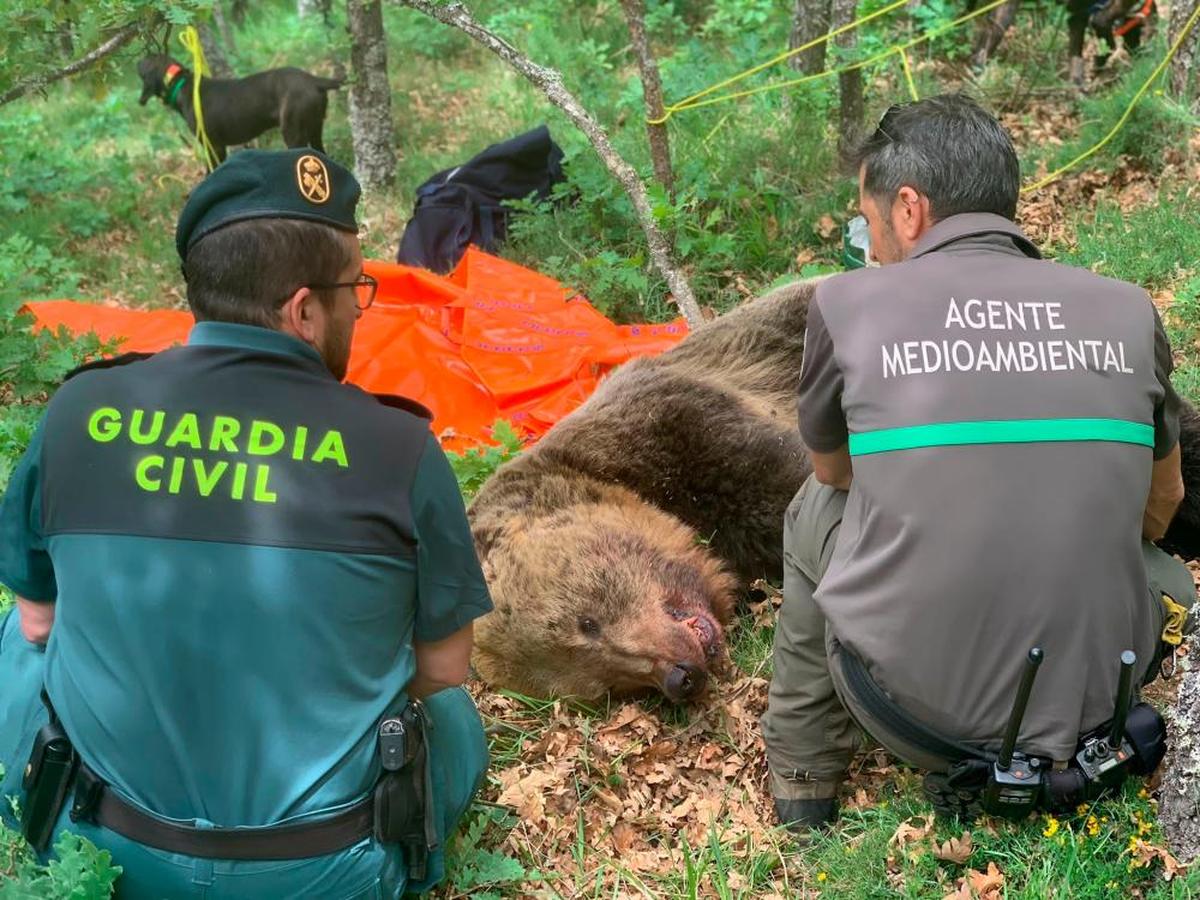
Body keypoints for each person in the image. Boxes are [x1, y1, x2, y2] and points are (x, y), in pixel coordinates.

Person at [0, 148, 493, 897]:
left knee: (15, 641)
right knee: (454, 718)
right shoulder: (401, 449)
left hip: (108, 849)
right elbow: (445, 668)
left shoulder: (77, 412)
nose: (360, 310)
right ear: (302, 310)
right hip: (329, 872)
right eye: (355, 291)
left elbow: (39, 621)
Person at [761, 94, 1195, 831]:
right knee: (1151, 560)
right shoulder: (1126, 309)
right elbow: (1162, 503)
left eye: (864, 221)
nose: (865, 241)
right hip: (1105, 702)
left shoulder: (846, 306)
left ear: (908, 208)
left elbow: (834, 474)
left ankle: (804, 780)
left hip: (915, 719)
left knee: (814, 510)